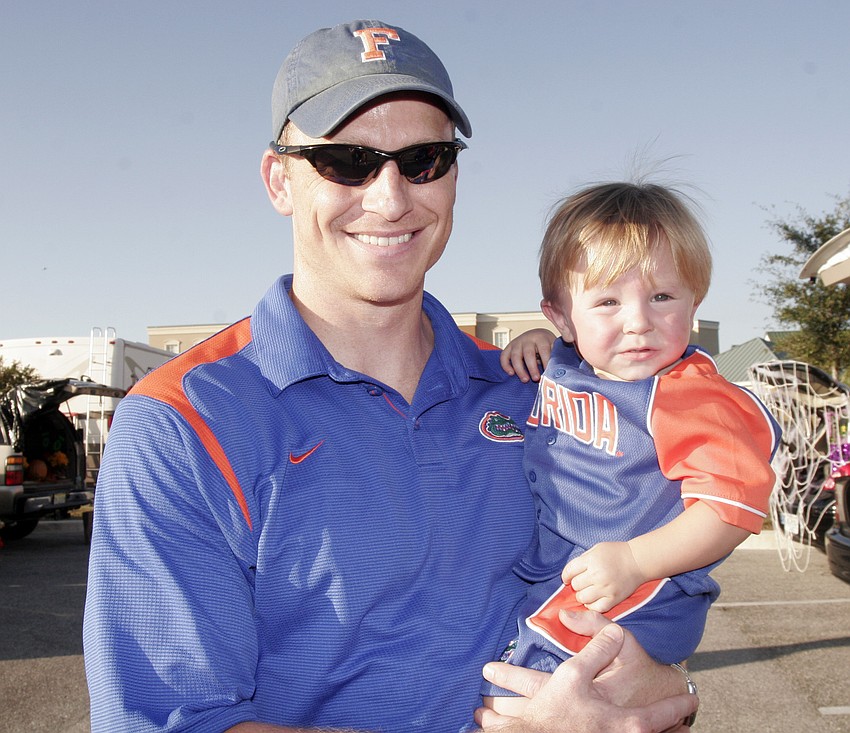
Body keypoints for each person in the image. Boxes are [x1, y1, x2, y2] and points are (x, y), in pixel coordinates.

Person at [82, 21, 698, 733]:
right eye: (346, 161)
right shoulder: (181, 423)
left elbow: (648, 597)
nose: (390, 196)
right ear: (279, 180)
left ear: (454, 176)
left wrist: (662, 689)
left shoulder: (537, 393)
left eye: (424, 159)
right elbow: (169, 721)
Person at [481, 182, 780, 715]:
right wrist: (535, 341)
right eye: (607, 302)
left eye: (662, 297)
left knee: (519, 700)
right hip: (565, 576)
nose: (639, 321)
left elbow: (732, 509)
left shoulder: (687, 395)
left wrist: (636, 561)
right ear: (562, 317)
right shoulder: (566, 363)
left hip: (638, 591)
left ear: (694, 302)